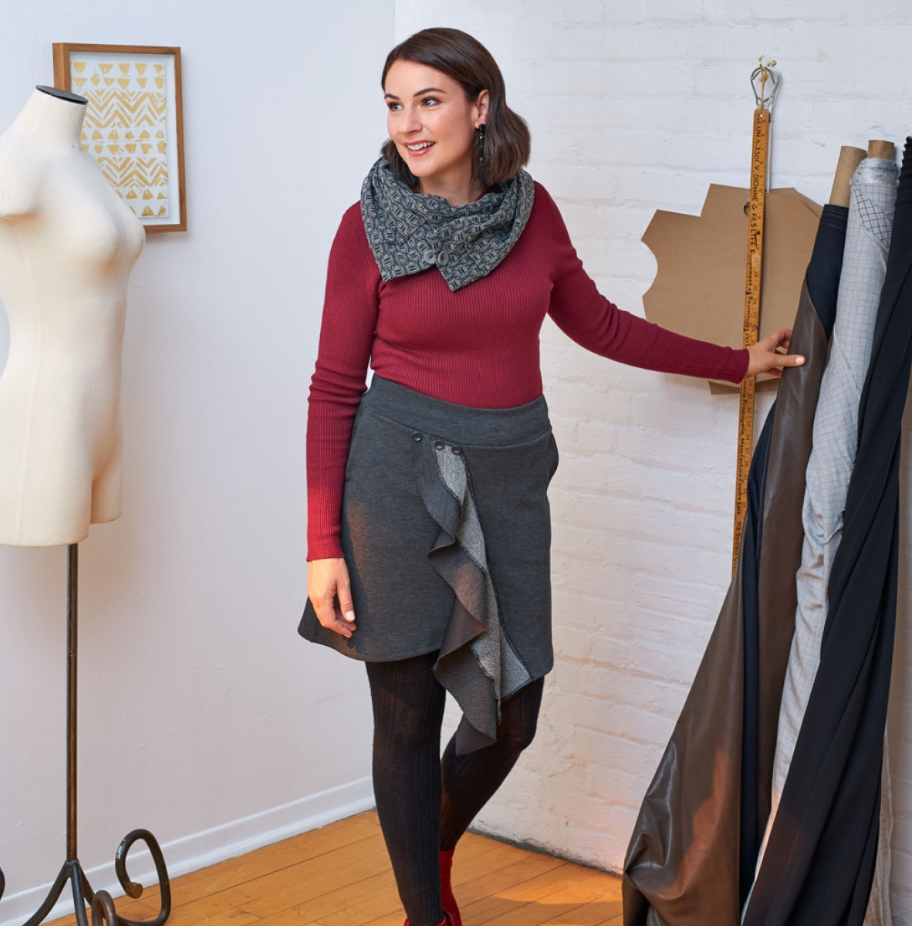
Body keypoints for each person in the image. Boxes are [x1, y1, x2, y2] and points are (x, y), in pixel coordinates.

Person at [298, 27, 802, 926]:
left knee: (512, 713)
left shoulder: (532, 215)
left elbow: (600, 324)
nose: (408, 124)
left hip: (508, 480)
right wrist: (321, 546)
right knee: (406, 721)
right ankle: (426, 913)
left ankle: (432, 848)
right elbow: (334, 389)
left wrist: (736, 362)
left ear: (480, 106)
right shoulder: (364, 227)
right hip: (393, 484)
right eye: (395, 104)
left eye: (429, 101)